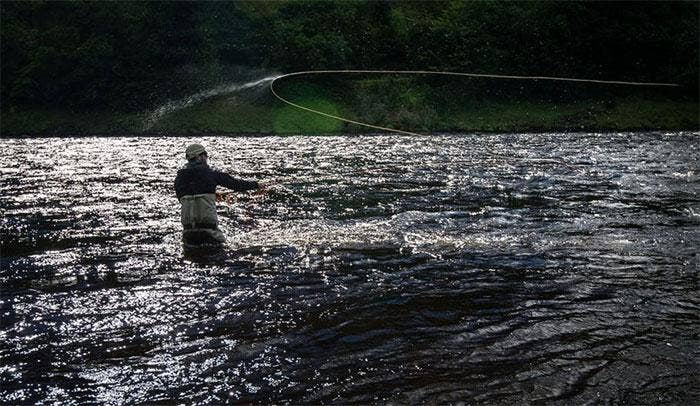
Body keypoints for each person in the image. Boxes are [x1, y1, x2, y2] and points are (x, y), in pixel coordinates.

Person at [174, 143, 260, 246]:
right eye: (206, 156)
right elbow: (237, 185)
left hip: (188, 233)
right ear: (200, 157)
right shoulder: (212, 175)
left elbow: (186, 197)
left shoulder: (178, 179)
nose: (206, 158)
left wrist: (213, 194)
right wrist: (257, 185)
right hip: (210, 232)